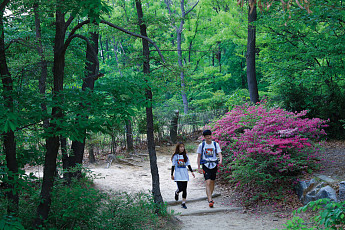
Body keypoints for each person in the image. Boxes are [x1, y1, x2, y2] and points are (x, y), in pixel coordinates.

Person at [197, 129, 222, 208]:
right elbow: (199, 156)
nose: (209, 138)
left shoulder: (215, 144)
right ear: (204, 137)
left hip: (214, 165)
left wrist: (220, 160)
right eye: (207, 136)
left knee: (212, 182)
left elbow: (219, 154)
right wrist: (198, 167)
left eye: (210, 136)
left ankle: (209, 195)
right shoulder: (202, 145)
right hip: (206, 165)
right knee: (207, 182)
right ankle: (210, 199)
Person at [171, 142, 195, 209]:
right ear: (178, 148)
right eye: (180, 147)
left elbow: (188, 164)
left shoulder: (185, 156)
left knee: (184, 189)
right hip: (178, 174)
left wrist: (192, 172)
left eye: (183, 147)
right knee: (180, 188)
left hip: (184, 174)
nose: (182, 148)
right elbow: (173, 166)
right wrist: (171, 174)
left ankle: (183, 203)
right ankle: (177, 192)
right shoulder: (175, 156)